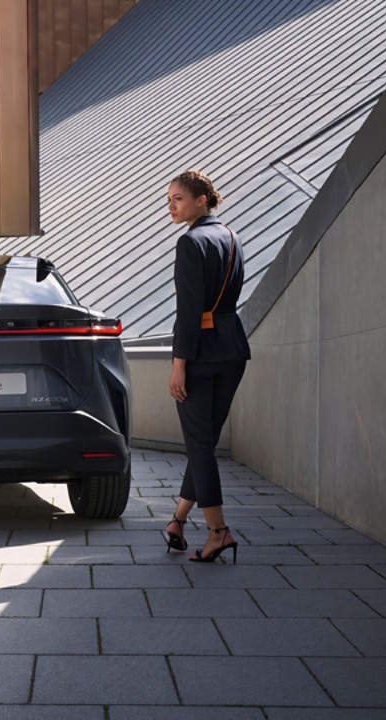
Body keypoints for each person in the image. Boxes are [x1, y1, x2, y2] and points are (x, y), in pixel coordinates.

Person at [161, 171, 251, 562]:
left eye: (178, 198)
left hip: (199, 355)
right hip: (232, 350)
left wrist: (178, 363)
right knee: (205, 445)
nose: (171, 206)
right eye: (169, 199)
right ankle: (178, 520)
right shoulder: (232, 237)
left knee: (199, 445)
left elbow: (189, 311)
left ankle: (218, 532)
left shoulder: (190, 243)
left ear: (201, 200)